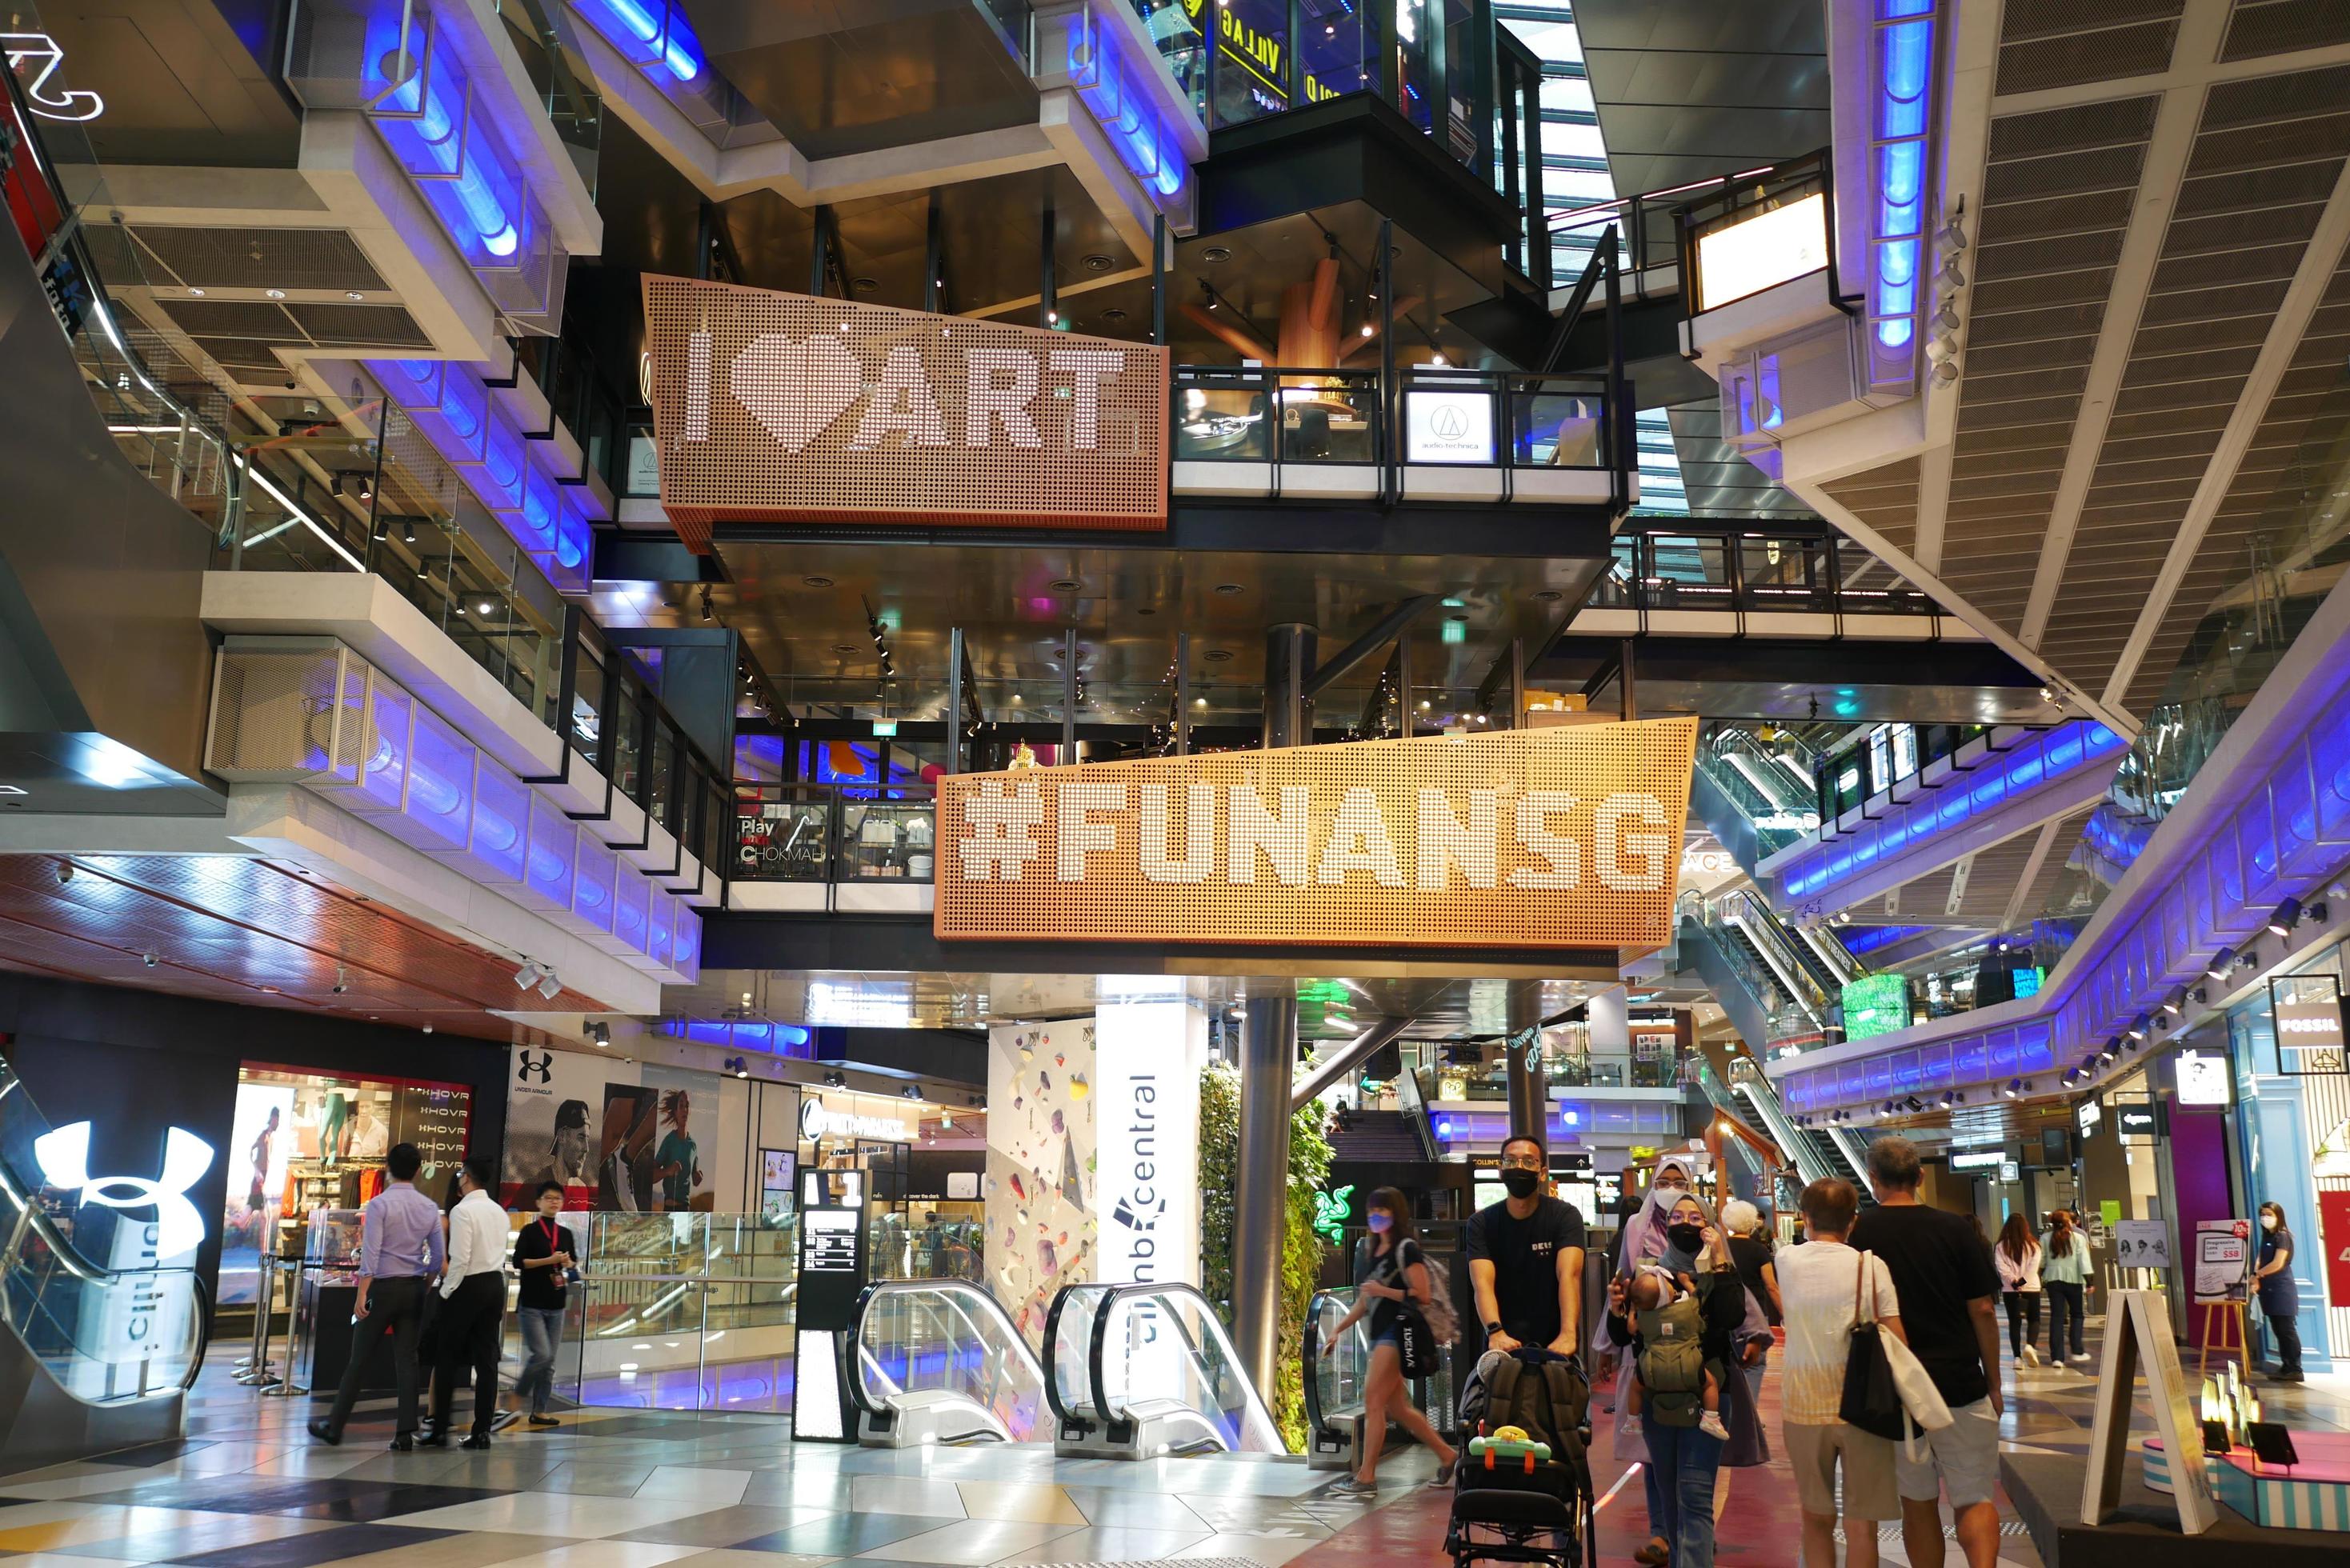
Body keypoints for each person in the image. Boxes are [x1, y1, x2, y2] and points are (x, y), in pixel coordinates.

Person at [1849, 1138, 2004, 1568]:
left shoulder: (1859, 1233)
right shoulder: (1955, 1229)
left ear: (1873, 1179)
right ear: (1920, 1177)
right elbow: (1983, 1309)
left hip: (1895, 1389)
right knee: (1974, 1495)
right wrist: (1993, 1382)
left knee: (1917, 1502)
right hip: (1959, 1382)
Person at [1778, 1178, 1906, 1568]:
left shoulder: (1786, 1260)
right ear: (1853, 1221)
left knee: (1815, 1517)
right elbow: (1896, 1338)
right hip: (1865, 1405)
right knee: (1862, 1524)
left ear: (1805, 1218)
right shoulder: (1871, 1266)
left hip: (1802, 1404)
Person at [308, 1142, 444, 1450]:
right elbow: (437, 1257)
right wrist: (425, 1285)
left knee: (359, 1358)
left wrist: (362, 1292)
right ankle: (404, 1433)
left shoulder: (379, 1205)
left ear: (388, 1169)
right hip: (413, 1288)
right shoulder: (428, 1207)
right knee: (408, 1361)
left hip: (382, 1288)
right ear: (418, 1171)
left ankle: (334, 1426)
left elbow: (371, 1252)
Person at [1326, 1187, 1459, 1495]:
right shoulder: (1374, 1250)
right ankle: (1447, 1455)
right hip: (1380, 1335)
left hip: (1396, 1334)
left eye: (1382, 1210)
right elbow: (1365, 1300)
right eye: (1372, 1210)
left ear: (1395, 1213)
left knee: (1373, 1401)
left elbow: (1422, 1294)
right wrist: (1338, 1329)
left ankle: (1366, 1477)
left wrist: (1383, 1291)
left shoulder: (1406, 1248)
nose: (1375, 1216)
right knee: (1399, 1408)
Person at [1467, 1135, 1587, 1361]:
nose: (1519, 1167)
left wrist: (1568, 1334)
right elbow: (1482, 1284)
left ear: (1542, 1173)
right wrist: (1495, 1332)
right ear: (1501, 1170)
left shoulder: (1565, 1216)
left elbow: (1569, 1276)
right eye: (1510, 1161)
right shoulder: (1481, 1223)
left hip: (1556, 1343)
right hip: (1502, 1344)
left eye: (1529, 1161)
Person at [427, 1161, 510, 1449]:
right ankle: (482, 1431)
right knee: (487, 1361)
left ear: (467, 1178)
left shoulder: (463, 1211)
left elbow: (460, 1259)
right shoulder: (499, 1212)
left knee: (446, 1358)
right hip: (494, 1284)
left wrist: (446, 1291)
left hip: (468, 1285)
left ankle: (439, 1430)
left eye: (461, 1174)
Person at [1619, 1269, 1731, 1442]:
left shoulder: (1644, 1318)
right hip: (1688, 1365)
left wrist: (1634, 1309)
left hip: (1652, 1368)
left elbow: (1631, 1328)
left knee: (1635, 1387)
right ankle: (1711, 1418)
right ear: (1666, 1294)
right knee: (1710, 1384)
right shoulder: (1686, 1310)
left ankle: (1633, 1420)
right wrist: (1686, 1282)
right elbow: (1699, 1298)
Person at [508, 1179, 572, 1427]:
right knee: (542, 1355)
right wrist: (549, 1260)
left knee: (549, 1362)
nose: (554, 1202)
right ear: (538, 1202)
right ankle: (516, 1397)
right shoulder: (529, 1231)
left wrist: (567, 1263)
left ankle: (540, 1411)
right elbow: (519, 1262)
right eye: (549, 1198)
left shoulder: (565, 1233)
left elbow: (573, 1264)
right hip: (532, 1304)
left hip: (557, 1304)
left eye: (558, 1198)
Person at [1722, 1198, 1780, 1412]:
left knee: (1725, 1364)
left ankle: (1728, 1414)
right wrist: (1785, 1314)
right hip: (1755, 1315)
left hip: (1726, 1313)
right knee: (1754, 1366)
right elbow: (1771, 1285)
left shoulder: (1720, 1249)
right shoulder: (1759, 1250)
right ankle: (1749, 1414)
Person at [2255, 1201, 2303, 1382]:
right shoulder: (2267, 1237)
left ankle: (2295, 1368)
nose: (2265, 1218)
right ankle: (2286, 1366)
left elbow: (2278, 1263)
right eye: (2262, 1214)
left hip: (2281, 1289)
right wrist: (2255, 1277)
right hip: (2268, 1289)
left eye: (2269, 1214)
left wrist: (2257, 1275)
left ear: (2278, 1216)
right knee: (2278, 1329)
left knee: (2286, 1329)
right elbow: (2260, 1260)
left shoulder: (2283, 1237)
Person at [2040, 1210, 2089, 1366]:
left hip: (2053, 1279)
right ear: (2068, 1222)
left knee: (2057, 1317)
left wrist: (2039, 1277)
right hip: (2074, 1279)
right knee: (2077, 1315)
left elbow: (2042, 1261)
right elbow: (2084, 1261)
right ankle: (2077, 1350)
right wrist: (2090, 1281)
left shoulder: (2045, 1238)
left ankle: (2057, 1358)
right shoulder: (2078, 1238)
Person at [1995, 1214, 2042, 1367]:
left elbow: (2001, 1267)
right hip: (2032, 1288)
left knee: (2014, 1323)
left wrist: (2014, 1282)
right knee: (2034, 1319)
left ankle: (2017, 1358)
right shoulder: (2034, 1246)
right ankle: (2030, 1346)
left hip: (2010, 1290)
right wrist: (2023, 1282)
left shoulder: (2001, 1246)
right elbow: (2033, 1268)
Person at [653, 1090, 701, 1212]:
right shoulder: (669, 1141)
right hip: (669, 1209)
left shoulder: (692, 1145)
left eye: (687, 1106)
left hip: (685, 1209)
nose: (685, 1109)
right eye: (681, 1106)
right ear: (676, 1112)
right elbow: (651, 1176)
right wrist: (668, 1171)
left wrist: (698, 1177)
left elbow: (695, 1179)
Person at [530, 1098, 591, 1190]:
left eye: (587, 1139)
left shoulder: (581, 1190)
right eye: (581, 1138)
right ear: (562, 1136)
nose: (587, 1149)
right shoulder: (533, 1188)